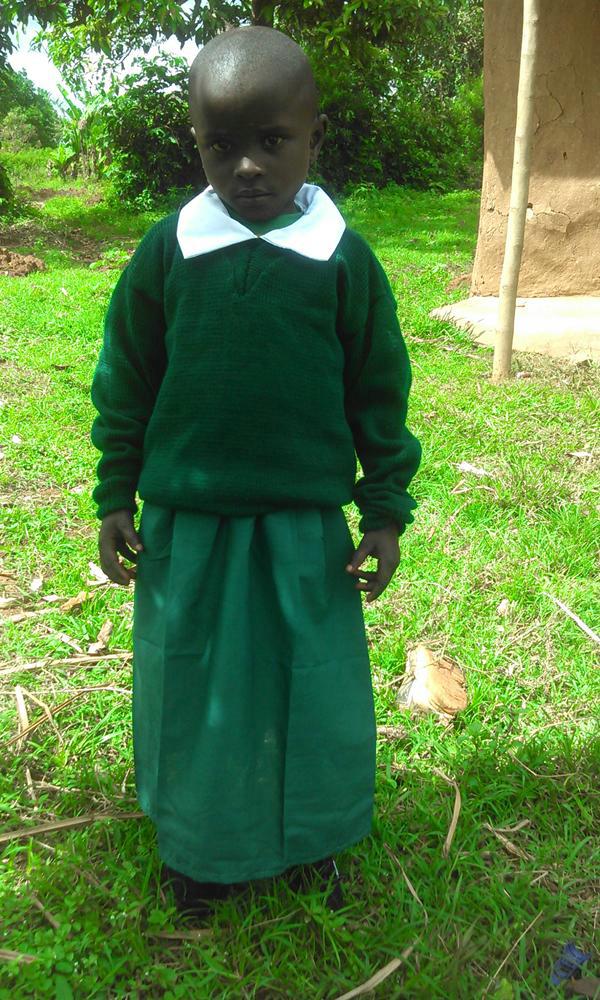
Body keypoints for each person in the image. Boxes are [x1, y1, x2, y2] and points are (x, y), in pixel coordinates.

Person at [91, 25, 421, 918]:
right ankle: (202, 851)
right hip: (190, 530)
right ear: (197, 144)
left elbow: (378, 391)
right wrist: (115, 491)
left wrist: (384, 511)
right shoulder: (170, 250)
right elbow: (127, 376)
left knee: (311, 687)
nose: (245, 167)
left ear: (315, 136)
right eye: (220, 145)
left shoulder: (342, 258)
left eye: (272, 141)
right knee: (192, 686)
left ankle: (311, 839)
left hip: (303, 531)